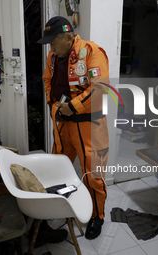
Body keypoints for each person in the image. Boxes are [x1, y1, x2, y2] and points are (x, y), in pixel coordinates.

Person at [37, 16, 109, 240]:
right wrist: (53, 104)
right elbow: (47, 81)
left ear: (68, 37)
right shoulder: (53, 56)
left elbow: (101, 88)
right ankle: (61, 208)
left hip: (89, 127)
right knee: (57, 169)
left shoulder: (91, 52)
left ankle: (97, 216)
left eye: (53, 42)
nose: (51, 47)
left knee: (92, 176)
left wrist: (73, 107)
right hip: (62, 125)